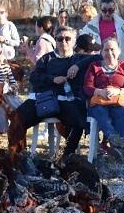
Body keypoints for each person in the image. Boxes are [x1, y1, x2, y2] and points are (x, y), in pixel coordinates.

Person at [9, 25, 100, 157]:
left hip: (66, 101)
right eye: (59, 39)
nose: (63, 42)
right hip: (43, 99)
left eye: (67, 39)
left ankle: (66, 157)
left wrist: (77, 65)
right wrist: (52, 79)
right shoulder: (47, 58)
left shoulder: (78, 58)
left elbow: (99, 57)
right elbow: (34, 78)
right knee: (17, 118)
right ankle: (16, 156)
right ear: (55, 40)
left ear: (74, 41)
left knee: (79, 121)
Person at [83, 38, 124, 159]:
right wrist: (100, 92)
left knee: (120, 112)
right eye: (106, 50)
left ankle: (118, 147)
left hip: (120, 101)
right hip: (100, 101)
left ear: (119, 51)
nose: (109, 53)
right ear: (101, 52)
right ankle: (115, 140)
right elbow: (87, 87)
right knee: (99, 111)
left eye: (112, 49)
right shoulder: (94, 66)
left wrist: (118, 91)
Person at [80, 0, 124, 72]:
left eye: (110, 10)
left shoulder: (121, 25)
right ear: (100, 10)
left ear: (114, 9)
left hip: (120, 66)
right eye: (104, 10)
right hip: (97, 66)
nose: (107, 13)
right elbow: (81, 49)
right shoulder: (90, 27)